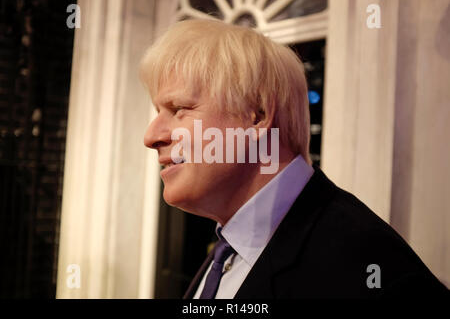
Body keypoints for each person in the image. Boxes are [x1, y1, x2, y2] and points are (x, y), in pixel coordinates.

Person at [140, 19, 448, 298]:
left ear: (257, 115)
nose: (151, 137)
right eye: (158, 112)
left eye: (179, 109)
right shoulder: (229, 250)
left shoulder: (369, 265)